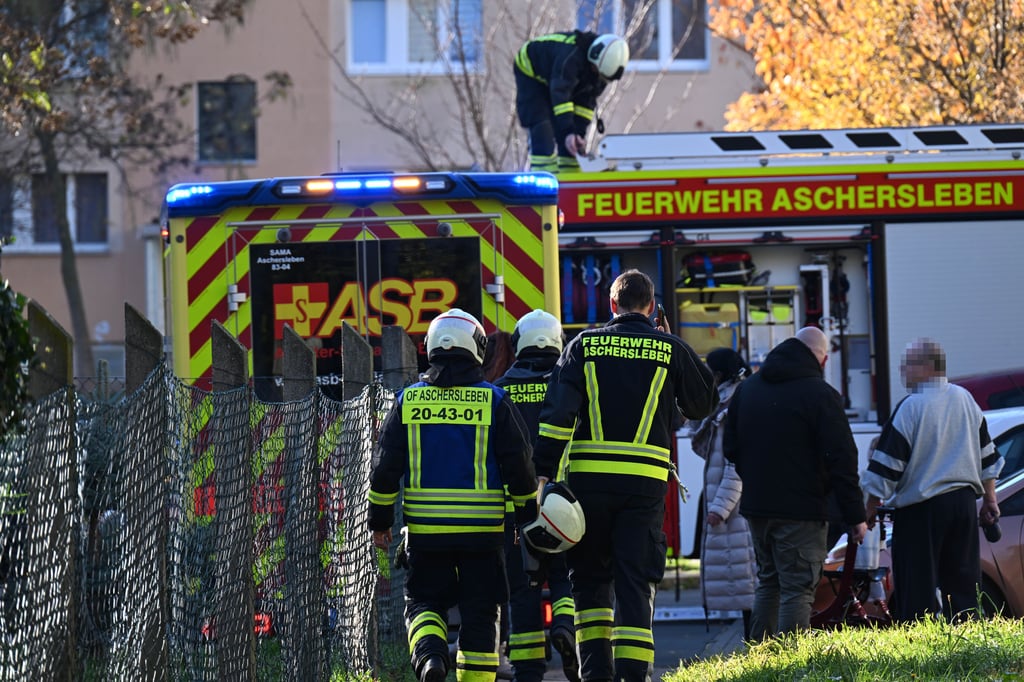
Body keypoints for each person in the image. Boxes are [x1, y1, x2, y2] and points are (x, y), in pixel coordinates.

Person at [533, 269, 717, 682]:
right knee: (635, 582)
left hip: (589, 488)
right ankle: (634, 675)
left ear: (612, 304)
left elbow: (557, 418)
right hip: (643, 489)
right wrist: (672, 344)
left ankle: (596, 673)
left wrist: (543, 474)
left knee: (590, 583)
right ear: (651, 307)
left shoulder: (584, 345)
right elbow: (703, 403)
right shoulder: (669, 348)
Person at [368, 309, 539, 682]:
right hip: (484, 536)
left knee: (423, 602)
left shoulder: (408, 401)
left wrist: (379, 522)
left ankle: (431, 656)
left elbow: (384, 469)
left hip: (427, 535)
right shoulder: (495, 401)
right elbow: (520, 466)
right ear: (477, 348)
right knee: (481, 612)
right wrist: (526, 517)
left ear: (431, 347)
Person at [723, 326, 867, 640]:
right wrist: (855, 515)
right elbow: (842, 460)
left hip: (758, 508)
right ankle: (790, 661)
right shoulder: (821, 395)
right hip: (803, 511)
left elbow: (730, 449)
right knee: (798, 589)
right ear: (822, 359)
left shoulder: (748, 389)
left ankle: (760, 657)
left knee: (769, 582)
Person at [861, 338, 1003, 622]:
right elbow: (988, 457)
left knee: (917, 589)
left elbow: (886, 466)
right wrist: (990, 499)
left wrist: (870, 507)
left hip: (921, 510)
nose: (902, 370)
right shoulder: (965, 400)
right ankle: (966, 638)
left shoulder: (911, 407)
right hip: (963, 506)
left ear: (927, 366)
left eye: (907, 364)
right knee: (963, 586)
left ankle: (921, 643)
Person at [495, 310, 579, 682]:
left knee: (522, 589)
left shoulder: (499, 390)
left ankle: (528, 670)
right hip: (564, 503)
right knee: (566, 576)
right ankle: (564, 625)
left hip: (514, 508)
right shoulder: (568, 384)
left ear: (518, 345)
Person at [689, 347, 755, 639]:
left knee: (747, 578)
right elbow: (705, 445)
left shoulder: (734, 402)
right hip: (733, 501)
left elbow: (737, 462)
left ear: (718, 374)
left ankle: (757, 645)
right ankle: (756, 643)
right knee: (745, 577)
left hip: (735, 506)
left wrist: (720, 507)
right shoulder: (725, 399)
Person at [513, 31, 629, 173]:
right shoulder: (571, 56)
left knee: (570, 140)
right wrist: (568, 131)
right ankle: (543, 172)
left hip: (555, 80)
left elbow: (585, 106)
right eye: (596, 71)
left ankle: (569, 171)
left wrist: (577, 135)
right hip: (530, 72)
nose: (598, 77)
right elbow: (560, 95)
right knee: (542, 123)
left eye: (602, 76)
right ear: (593, 57)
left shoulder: (601, 73)